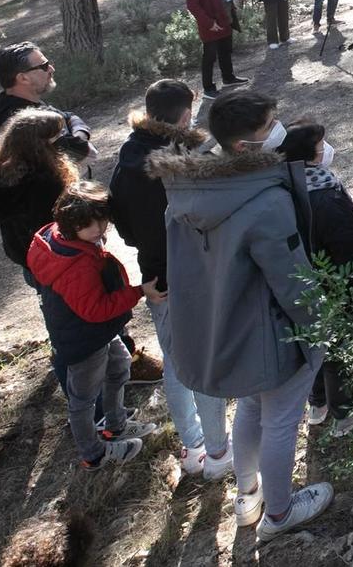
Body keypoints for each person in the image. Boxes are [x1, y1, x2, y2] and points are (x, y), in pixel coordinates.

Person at [151, 89, 334, 540]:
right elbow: (292, 282)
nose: (279, 131)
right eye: (269, 125)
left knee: (251, 409)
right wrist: (319, 329)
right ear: (242, 146)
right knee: (281, 421)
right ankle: (279, 513)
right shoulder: (265, 201)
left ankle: (247, 496)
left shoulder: (188, 186)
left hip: (229, 326)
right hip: (271, 332)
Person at [107, 79, 232, 478]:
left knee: (177, 364)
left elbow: (122, 224)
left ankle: (192, 445)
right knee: (203, 364)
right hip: (193, 271)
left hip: (155, 275)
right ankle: (218, 452)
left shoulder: (129, 152)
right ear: (184, 114)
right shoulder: (183, 158)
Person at [26, 183, 159, 469]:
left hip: (95, 332)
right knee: (83, 399)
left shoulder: (61, 238)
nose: (99, 229)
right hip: (83, 339)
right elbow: (95, 310)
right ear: (72, 225)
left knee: (120, 366)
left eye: (102, 221)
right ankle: (94, 453)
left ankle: (115, 423)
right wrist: (137, 292)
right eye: (90, 225)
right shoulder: (77, 266)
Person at [277, 123, 353, 429]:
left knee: (315, 345)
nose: (326, 149)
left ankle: (318, 404)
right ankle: (343, 414)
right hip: (337, 284)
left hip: (305, 285)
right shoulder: (325, 195)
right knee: (337, 350)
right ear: (310, 154)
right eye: (322, 145)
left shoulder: (286, 187)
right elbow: (351, 246)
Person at [0, 108, 77, 272]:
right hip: (58, 254)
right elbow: (55, 219)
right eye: (55, 135)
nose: (61, 138)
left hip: (25, 254)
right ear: (39, 143)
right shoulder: (44, 179)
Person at [0, 43, 94, 169]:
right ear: (23, 78)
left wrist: (75, 134)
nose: (51, 69)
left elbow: (68, 116)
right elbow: (84, 154)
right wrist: (81, 136)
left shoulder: (14, 106)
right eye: (44, 66)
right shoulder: (28, 122)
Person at [185, 0, 246, 98]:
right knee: (210, 56)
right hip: (210, 23)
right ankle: (208, 88)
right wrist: (209, 22)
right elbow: (193, 5)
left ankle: (228, 77)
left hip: (225, 16)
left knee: (226, 50)